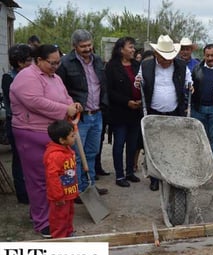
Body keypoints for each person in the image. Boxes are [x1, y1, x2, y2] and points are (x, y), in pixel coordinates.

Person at [10, 44, 82, 237]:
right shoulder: (26, 77)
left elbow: (65, 97)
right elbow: (35, 101)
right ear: (39, 60)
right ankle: (42, 222)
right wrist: (64, 110)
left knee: (55, 178)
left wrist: (72, 104)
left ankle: (48, 215)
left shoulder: (55, 77)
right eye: (52, 63)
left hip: (52, 133)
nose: (56, 66)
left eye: (58, 62)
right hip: (31, 132)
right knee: (39, 180)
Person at [56, 29, 109, 202]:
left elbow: (103, 85)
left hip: (97, 114)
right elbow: (59, 89)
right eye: (83, 46)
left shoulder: (98, 61)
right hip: (80, 118)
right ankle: (77, 190)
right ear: (74, 46)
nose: (87, 49)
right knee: (77, 156)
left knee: (92, 152)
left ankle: (90, 186)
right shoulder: (65, 63)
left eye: (89, 45)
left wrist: (104, 104)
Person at [135, 34, 192, 191]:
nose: (167, 61)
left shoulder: (180, 65)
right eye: (163, 58)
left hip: (174, 111)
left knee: (172, 145)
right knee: (154, 147)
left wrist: (190, 85)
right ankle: (154, 177)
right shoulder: (146, 65)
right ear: (156, 54)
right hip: (153, 112)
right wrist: (138, 82)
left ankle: (171, 175)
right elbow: (139, 81)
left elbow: (189, 79)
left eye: (169, 58)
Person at [105, 37, 142, 187]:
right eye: (130, 47)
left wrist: (140, 101)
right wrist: (127, 102)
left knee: (132, 144)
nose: (133, 50)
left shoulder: (137, 65)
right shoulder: (111, 66)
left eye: (134, 47)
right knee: (119, 144)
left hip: (136, 112)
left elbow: (143, 84)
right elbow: (110, 90)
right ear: (121, 49)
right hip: (119, 112)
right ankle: (119, 175)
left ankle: (130, 172)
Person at [1, 44, 32, 204]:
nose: (31, 63)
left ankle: (29, 189)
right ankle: (22, 193)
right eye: (28, 60)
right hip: (16, 124)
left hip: (28, 123)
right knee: (19, 158)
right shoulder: (9, 78)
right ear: (19, 62)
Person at [191, 44, 213, 174]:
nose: (210, 58)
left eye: (212, 55)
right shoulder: (196, 69)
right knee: (199, 138)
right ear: (204, 55)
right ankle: (201, 164)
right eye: (207, 55)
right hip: (199, 109)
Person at [43, 120, 78, 238]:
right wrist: (58, 196)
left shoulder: (67, 150)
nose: (75, 137)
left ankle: (68, 233)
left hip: (68, 193)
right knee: (59, 219)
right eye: (72, 136)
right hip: (60, 196)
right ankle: (59, 240)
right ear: (62, 140)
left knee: (68, 214)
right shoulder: (55, 156)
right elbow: (52, 177)